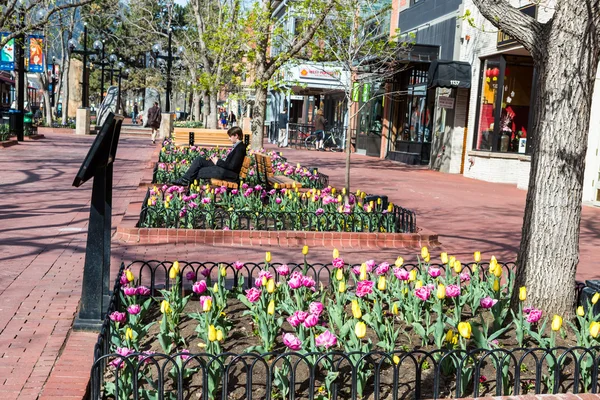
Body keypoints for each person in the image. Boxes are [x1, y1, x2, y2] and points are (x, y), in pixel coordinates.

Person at [172, 126, 247, 186]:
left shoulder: (240, 148)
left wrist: (218, 162)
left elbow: (232, 166)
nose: (229, 138)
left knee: (198, 171)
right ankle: (185, 180)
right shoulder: (238, 146)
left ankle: (186, 181)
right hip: (223, 169)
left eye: (230, 136)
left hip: (228, 174)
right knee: (199, 160)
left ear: (236, 136)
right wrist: (216, 160)